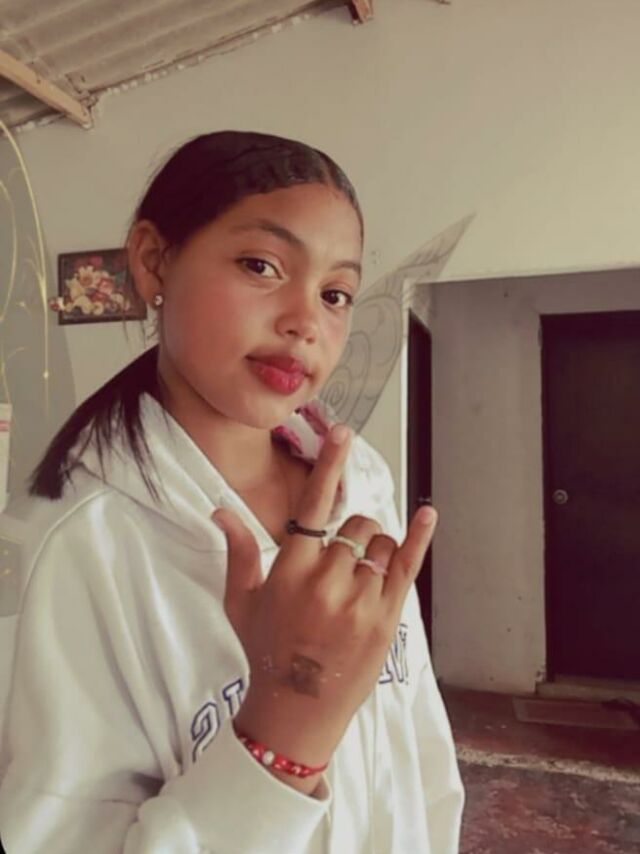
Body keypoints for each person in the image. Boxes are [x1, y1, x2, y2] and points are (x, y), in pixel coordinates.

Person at [0, 131, 464, 853]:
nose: (306, 322)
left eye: (335, 294)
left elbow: (416, 741)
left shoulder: (363, 482)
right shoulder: (72, 545)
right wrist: (284, 734)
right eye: (261, 265)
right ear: (153, 261)